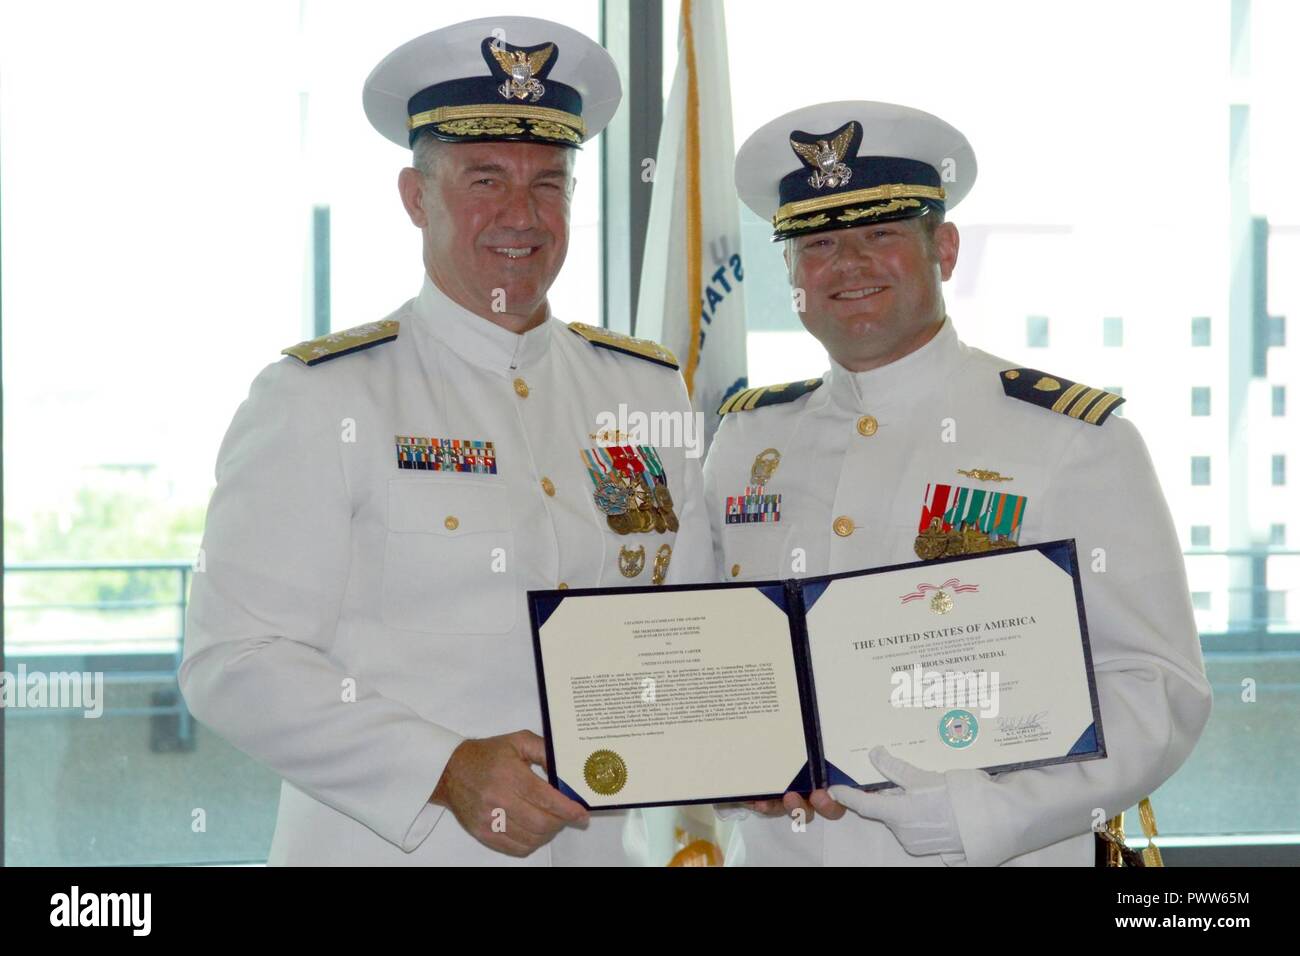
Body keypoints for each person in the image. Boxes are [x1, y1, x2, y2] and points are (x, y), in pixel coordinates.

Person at [179, 15, 712, 866]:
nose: (520, 215)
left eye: (549, 183)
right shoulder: (324, 394)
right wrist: (443, 767)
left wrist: (767, 741)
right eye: (485, 180)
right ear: (416, 196)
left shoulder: (641, 391)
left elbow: (694, 622)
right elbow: (232, 659)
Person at [703, 100, 1212, 866]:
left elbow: (1158, 690)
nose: (848, 265)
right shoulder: (746, 439)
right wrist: (722, 765)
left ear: (944, 249)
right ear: (790, 271)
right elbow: (711, 653)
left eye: (880, 234)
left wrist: (984, 814)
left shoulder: (1072, 438)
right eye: (819, 244)